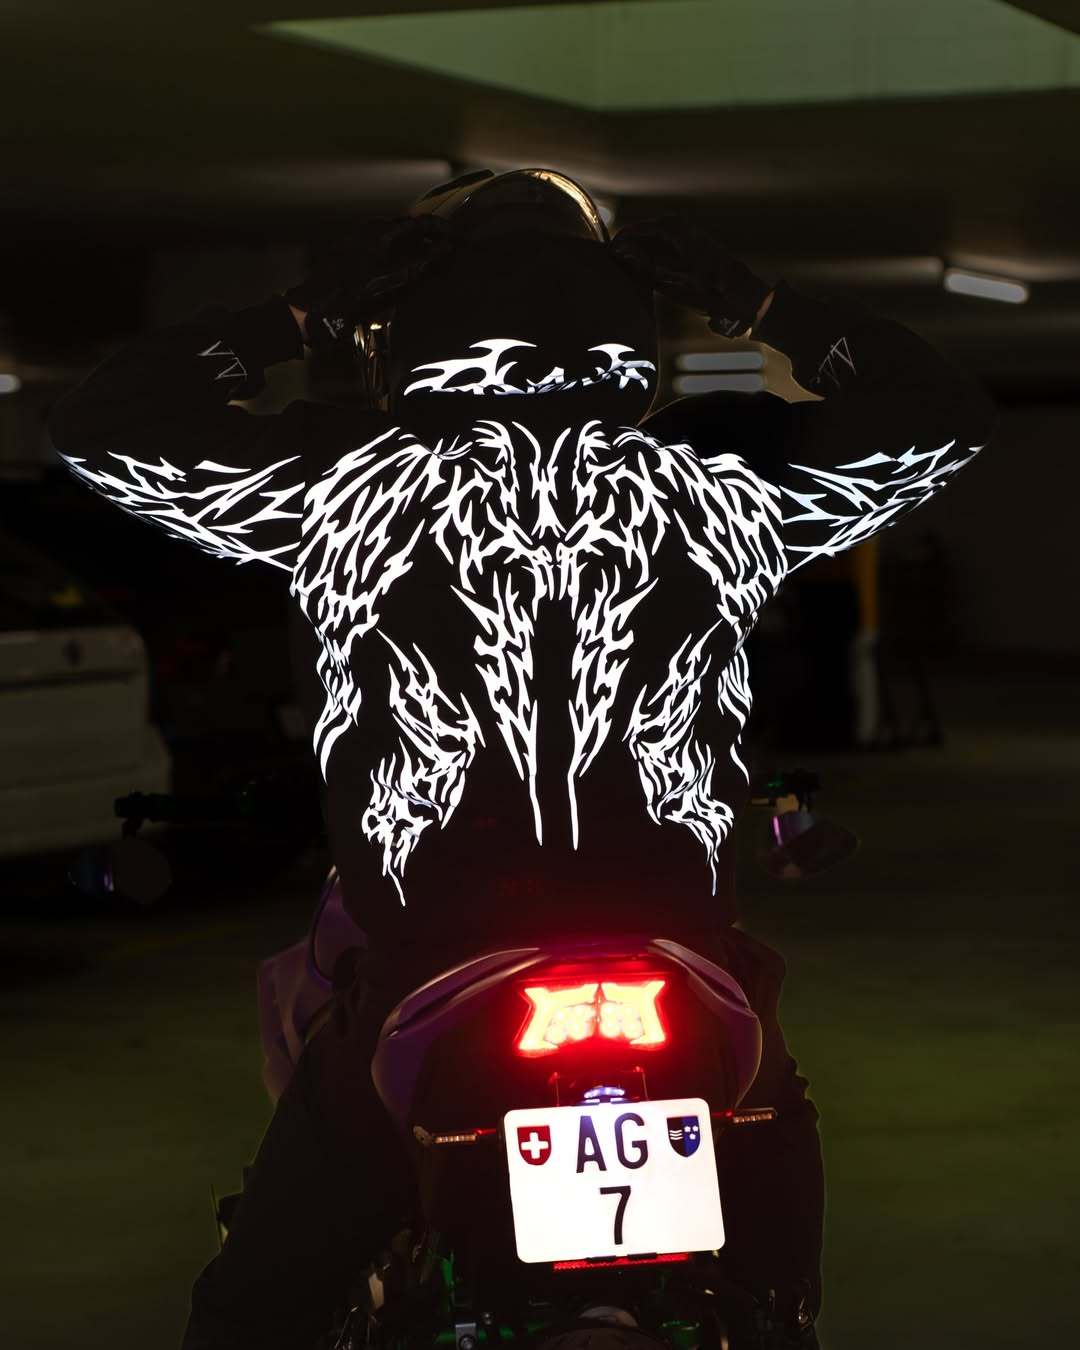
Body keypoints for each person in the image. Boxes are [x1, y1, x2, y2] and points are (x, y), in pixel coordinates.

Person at [48, 169, 995, 1349]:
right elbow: (940, 415)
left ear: (408, 329)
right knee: (769, 1271)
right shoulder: (719, 491)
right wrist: (758, 306)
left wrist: (300, 316)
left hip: (434, 963)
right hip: (679, 952)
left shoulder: (346, 493)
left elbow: (104, 425)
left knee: (252, 1312)